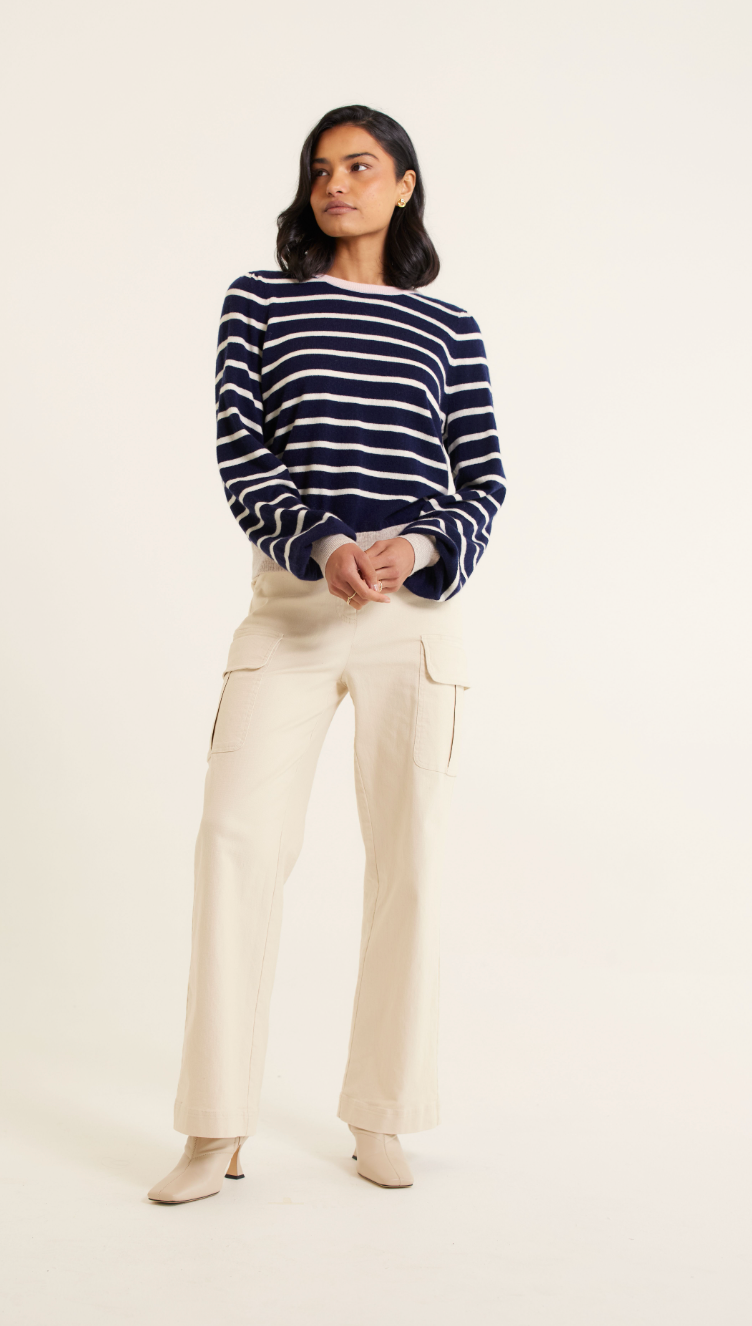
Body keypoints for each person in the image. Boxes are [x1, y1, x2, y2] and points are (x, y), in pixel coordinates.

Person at [148, 104, 506, 1204]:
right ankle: (215, 1126)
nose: (334, 185)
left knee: (410, 862)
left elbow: (483, 478)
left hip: (413, 620)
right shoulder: (260, 301)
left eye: (358, 166)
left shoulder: (449, 327)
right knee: (233, 844)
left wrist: (421, 544)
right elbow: (241, 448)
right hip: (293, 607)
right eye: (318, 169)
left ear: (404, 184)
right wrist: (323, 542)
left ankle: (380, 1115)